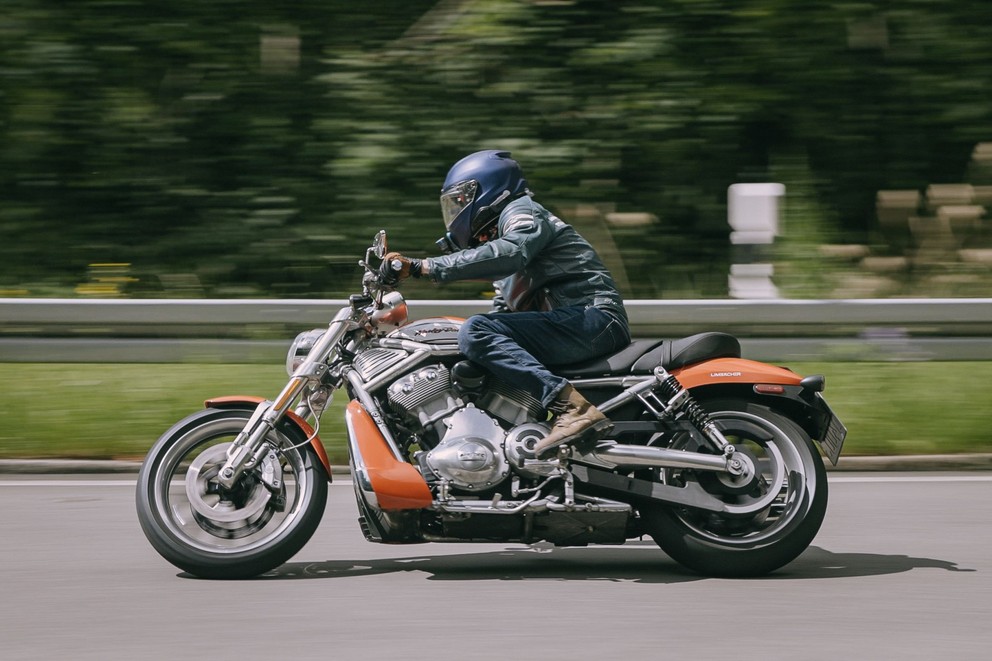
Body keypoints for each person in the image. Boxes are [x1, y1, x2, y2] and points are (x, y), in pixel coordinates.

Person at [383, 150, 630, 457]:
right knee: (472, 343)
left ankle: (574, 409)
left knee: (475, 331)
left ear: (486, 189)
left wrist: (424, 266)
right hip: (569, 324)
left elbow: (512, 252)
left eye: (460, 201)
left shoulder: (521, 212)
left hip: (591, 317)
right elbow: (502, 316)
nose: (456, 211)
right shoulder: (502, 250)